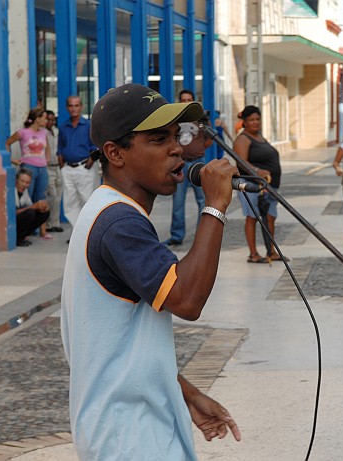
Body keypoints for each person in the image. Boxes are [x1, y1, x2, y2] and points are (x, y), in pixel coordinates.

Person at [60, 83, 241, 460]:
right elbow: (187, 300)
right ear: (115, 153)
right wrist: (216, 206)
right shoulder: (117, 222)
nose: (177, 149)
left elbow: (117, 345)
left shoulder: (110, 211)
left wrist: (185, 394)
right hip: (128, 436)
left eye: (176, 136)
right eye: (159, 139)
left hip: (132, 427)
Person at [233, 105, 285, 264]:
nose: (255, 122)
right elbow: (241, 162)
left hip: (269, 186)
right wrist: (257, 171)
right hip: (251, 184)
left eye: (257, 119)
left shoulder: (260, 137)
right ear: (244, 122)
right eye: (251, 120)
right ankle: (253, 253)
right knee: (252, 217)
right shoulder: (243, 139)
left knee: (270, 217)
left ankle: (271, 251)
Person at [164, 89, 213, 247]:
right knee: (178, 201)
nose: (186, 102)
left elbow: (210, 139)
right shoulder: (174, 119)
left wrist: (198, 149)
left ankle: (201, 235)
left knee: (203, 200)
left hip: (198, 162)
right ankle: (177, 235)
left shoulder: (200, 118)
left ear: (194, 101)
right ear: (179, 101)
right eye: (183, 100)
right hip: (180, 164)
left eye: (189, 100)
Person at [6, 107, 53, 241]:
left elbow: (47, 147)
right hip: (28, 167)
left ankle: (42, 231)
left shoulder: (44, 133)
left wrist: (47, 159)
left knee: (42, 196)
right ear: (37, 119)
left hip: (42, 168)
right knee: (28, 197)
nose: (46, 120)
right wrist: (11, 160)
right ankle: (26, 231)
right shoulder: (23, 132)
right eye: (44, 117)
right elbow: (7, 143)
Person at [57, 95, 98, 227]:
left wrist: (87, 166)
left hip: (84, 168)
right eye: (70, 106)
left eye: (76, 105)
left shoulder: (88, 125)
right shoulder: (63, 127)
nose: (73, 109)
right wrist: (62, 168)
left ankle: (88, 233)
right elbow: (60, 149)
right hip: (67, 170)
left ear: (81, 107)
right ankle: (77, 232)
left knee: (87, 201)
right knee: (70, 204)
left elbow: (95, 148)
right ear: (67, 107)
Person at [15, 169, 50, 247]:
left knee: (44, 213)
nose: (24, 184)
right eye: (22, 181)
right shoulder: (11, 191)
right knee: (30, 213)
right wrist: (34, 207)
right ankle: (18, 239)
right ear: (16, 180)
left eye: (27, 183)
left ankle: (23, 237)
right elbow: (11, 214)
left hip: (19, 219)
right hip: (11, 223)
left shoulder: (25, 191)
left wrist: (41, 207)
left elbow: (30, 206)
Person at [44, 110, 64, 233]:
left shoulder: (57, 131)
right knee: (51, 194)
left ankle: (55, 222)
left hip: (58, 166)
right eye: (48, 119)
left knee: (58, 196)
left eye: (52, 120)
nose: (50, 122)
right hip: (48, 167)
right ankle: (47, 223)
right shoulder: (43, 133)